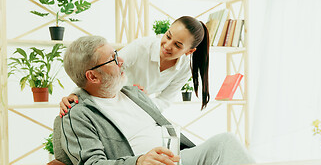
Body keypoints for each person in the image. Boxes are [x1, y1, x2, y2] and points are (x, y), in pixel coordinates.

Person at [59, 35, 255, 165]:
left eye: (117, 53)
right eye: (113, 59)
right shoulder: (77, 114)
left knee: (225, 143)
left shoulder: (132, 92)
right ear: (92, 76)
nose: (122, 60)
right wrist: (138, 162)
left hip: (176, 160)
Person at [59, 16, 210, 116]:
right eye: (168, 36)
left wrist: (143, 101)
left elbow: (165, 100)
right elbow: (100, 70)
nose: (167, 46)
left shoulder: (184, 68)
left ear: (189, 51)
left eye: (177, 45)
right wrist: (75, 95)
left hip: (140, 111)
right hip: (112, 101)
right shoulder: (141, 48)